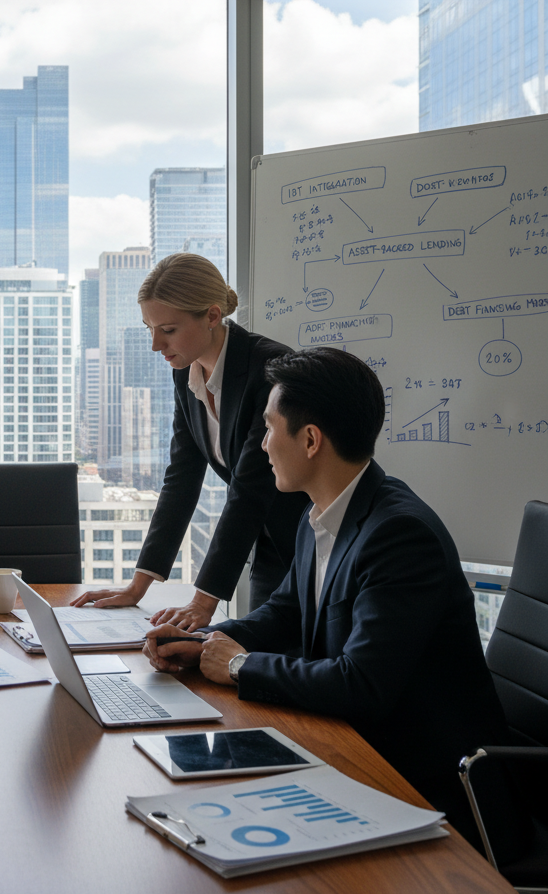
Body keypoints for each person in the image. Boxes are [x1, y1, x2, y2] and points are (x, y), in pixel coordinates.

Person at [143, 347, 508, 844]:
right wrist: (205, 640)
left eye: (269, 428)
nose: (263, 445)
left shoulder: (399, 535)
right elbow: (286, 613)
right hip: (354, 753)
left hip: (425, 786)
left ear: (311, 440)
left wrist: (237, 666)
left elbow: (362, 685)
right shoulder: (320, 513)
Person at [72, 252, 310, 630]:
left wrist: (203, 603)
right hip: (267, 545)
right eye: (149, 328)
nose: (155, 345)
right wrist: (138, 586)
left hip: (313, 543)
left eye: (167, 330)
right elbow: (182, 477)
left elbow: (249, 488)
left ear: (212, 316)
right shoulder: (187, 372)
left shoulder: (268, 369)